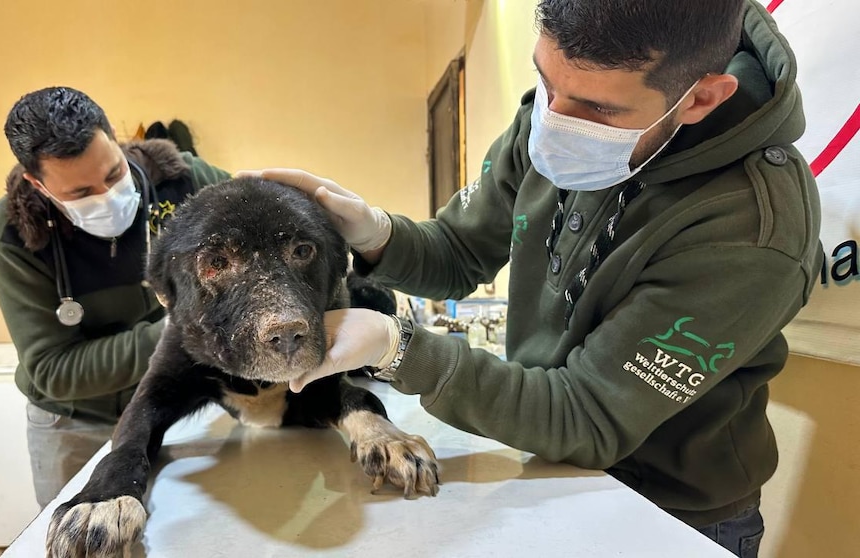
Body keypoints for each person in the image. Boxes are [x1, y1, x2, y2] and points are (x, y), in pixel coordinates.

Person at [244, 1, 821, 556]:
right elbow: (459, 251)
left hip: (672, 513)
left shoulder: (750, 226)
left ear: (700, 98)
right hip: (549, 463)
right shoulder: (550, 117)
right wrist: (375, 233)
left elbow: (587, 415)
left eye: (598, 111)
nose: (553, 123)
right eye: (546, 83)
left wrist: (401, 351)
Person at [0, 87, 229, 507]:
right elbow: (54, 371)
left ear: (114, 139)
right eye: (80, 193)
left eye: (114, 174)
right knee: (80, 535)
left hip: (170, 405)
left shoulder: (185, 181)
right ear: (36, 183)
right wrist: (182, 329)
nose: (108, 196)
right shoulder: (9, 233)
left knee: (181, 531)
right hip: (76, 423)